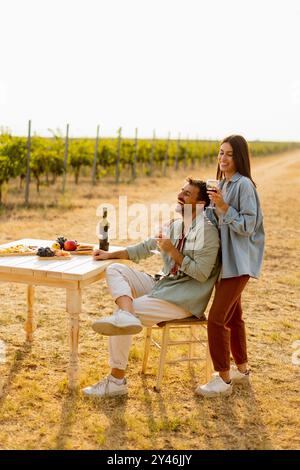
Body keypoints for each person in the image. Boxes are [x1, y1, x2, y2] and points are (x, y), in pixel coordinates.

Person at [82, 178, 220, 398]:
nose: (180, 195)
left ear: (200, 203)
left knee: (121, 321)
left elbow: (202, 274)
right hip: (163, 286)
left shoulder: (208, 233)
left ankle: (116, 382)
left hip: (182, 299)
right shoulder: (176, 226)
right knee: (115, 270)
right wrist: (110, 255)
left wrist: (172, 251)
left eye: (187, 194)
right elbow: (144, 248)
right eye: (181, 190)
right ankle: (126, 314)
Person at [196, 135, 265, 397]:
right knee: (234, 318)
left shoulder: (244, 186)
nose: (223, 159)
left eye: (229, 154)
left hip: (239, 263)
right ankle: (242, 371)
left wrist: (224, 206)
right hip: (226, 264)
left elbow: (248, 226)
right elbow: (216, 221)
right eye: (220, 153)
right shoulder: (223, 184)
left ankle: (223, 379)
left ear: (240, 158)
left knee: (216, 319)